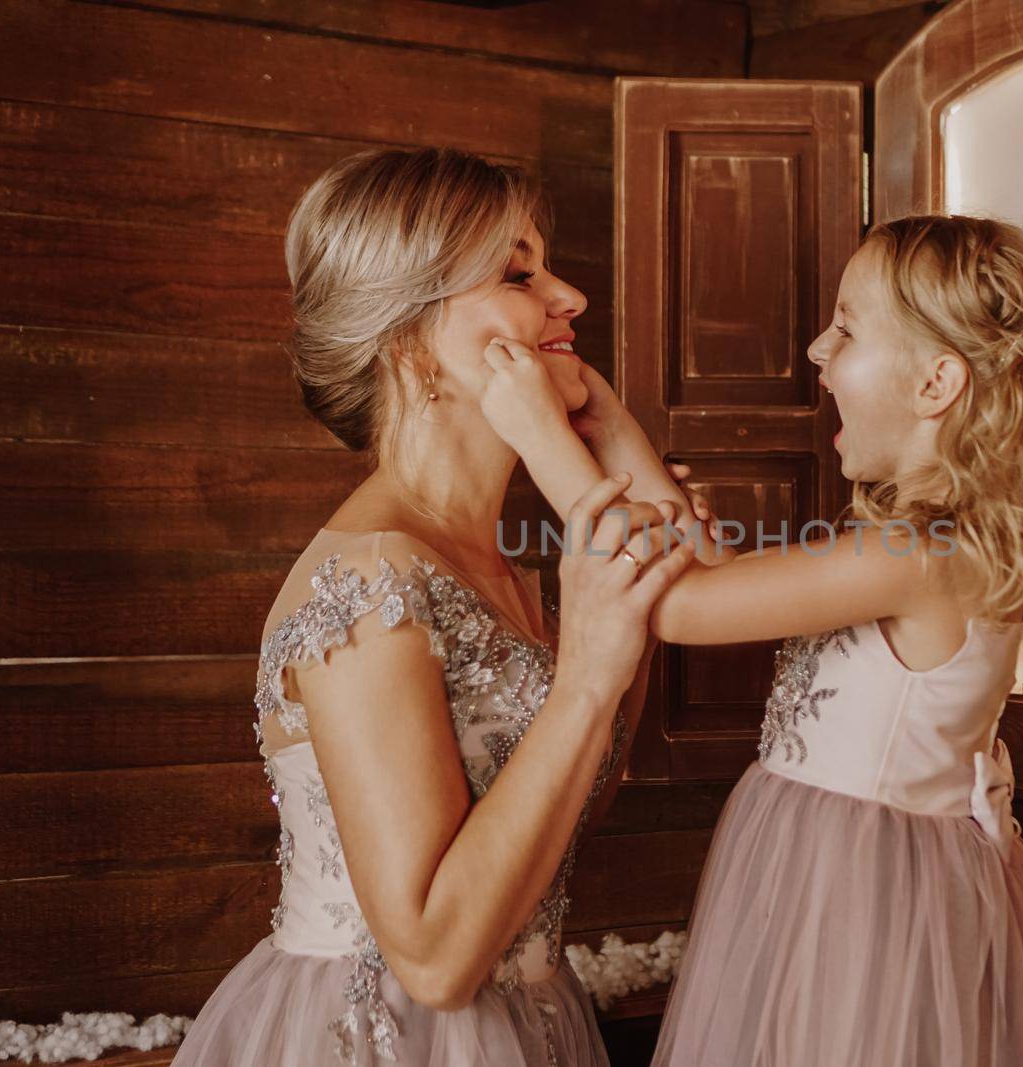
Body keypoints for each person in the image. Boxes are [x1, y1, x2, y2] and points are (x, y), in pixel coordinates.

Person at [482, 213, 1023, 1064]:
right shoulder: (919, 539)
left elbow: (682, 607)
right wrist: (608, 425)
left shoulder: (922, 553)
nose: (815, 350)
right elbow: (713, 570)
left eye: (847, 328)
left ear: (937, 381)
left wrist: (540, 436)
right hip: (831, 877)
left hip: (866, 907)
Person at [171, 147, 695, 1067]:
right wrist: (585, 677)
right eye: (518, 272)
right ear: (411, 338)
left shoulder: (497, 564)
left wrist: (626, 617)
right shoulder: (369, 586)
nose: (568, 297)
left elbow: (559, 826)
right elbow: (436, 960)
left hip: (533, 1022)